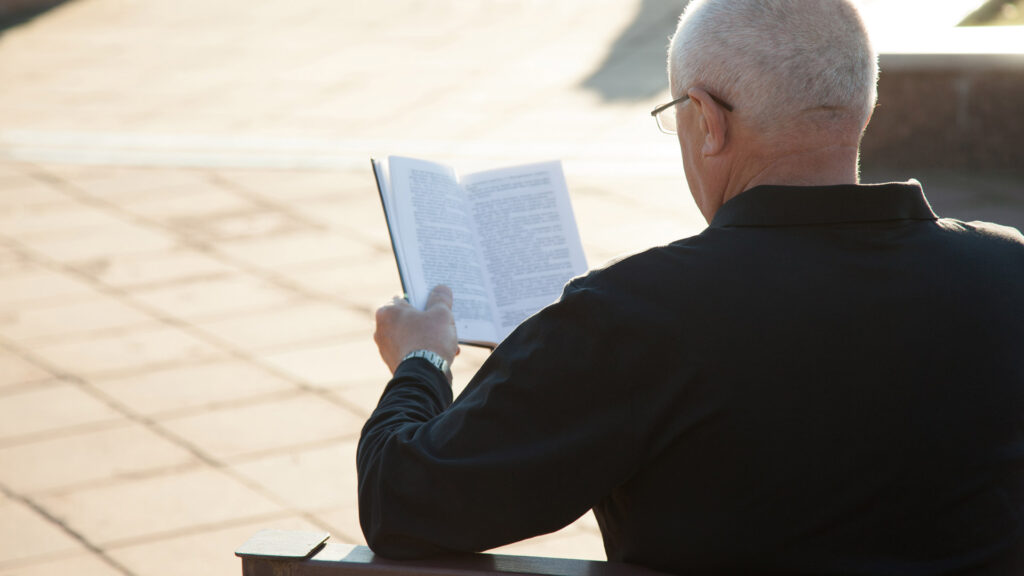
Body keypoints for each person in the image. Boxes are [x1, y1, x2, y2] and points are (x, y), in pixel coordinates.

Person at [358, 0, 1024, 573]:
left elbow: (403, 502)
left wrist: (421, 359)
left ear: (708, 121)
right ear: (861, 107)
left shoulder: (633, 317)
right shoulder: (1006, 274)